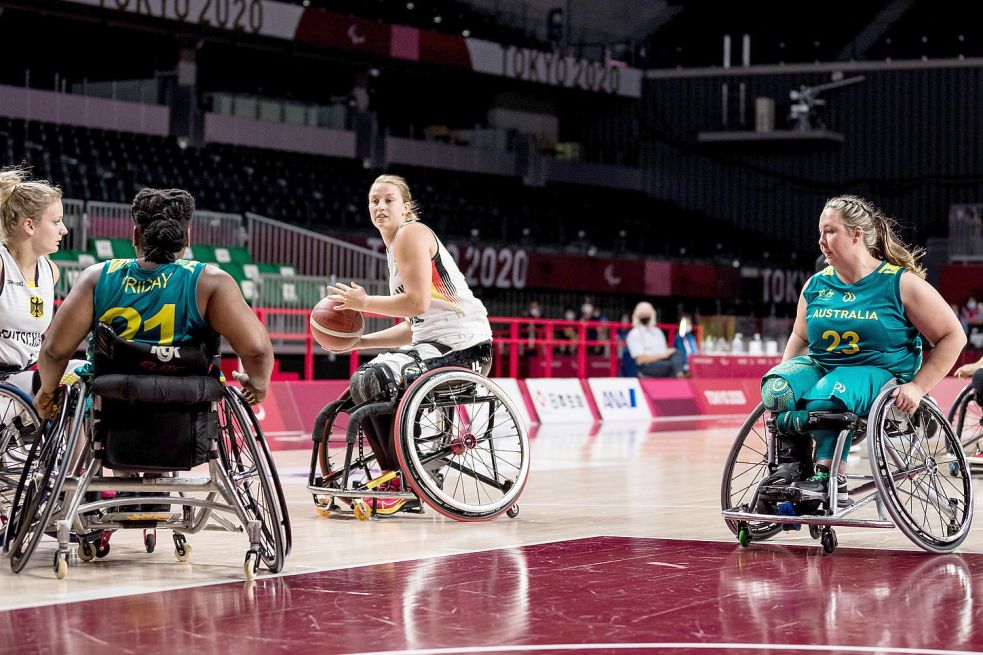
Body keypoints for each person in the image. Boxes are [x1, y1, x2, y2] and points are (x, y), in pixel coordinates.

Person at [34, 188, 273, 509]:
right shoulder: (211, 282)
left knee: (75, 378)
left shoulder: (98, 277)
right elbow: (257, 351)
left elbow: (53, 352)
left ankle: (70, 495)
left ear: (135, 234)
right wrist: (258, 385)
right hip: (186, 424)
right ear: (186, 236)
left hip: (113, 419)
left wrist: (47, 392)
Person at [759, 195, 966, 507]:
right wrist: (785, 392)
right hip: (822, 365)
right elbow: (799, 337)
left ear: (856, 234)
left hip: (881, 373)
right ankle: (792, 467)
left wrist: (918, 387)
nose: (821, 241)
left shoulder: (900, 283)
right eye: (820, 233)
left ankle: (829, 476)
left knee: (827, 393)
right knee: (776, 388)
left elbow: (954, 336)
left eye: (830, 231)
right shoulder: (816, 285)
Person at [325, 174, 492, 515]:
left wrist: (363, 303)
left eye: (388, 200)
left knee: (377, 379)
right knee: (364, 378)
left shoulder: (411, 234)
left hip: (466, 348)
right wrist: (359, 341)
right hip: (435, 346)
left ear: (406, 207)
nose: (380, 206)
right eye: (374, 201)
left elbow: (416, 303)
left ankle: (400, 478)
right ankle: (397, 475)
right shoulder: (395, 248)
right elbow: (414, 327)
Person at [0, 168, 68, 392]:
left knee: (81, 373)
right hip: (4, 383)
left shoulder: (51, 272)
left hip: (23, 381)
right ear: (29, 225)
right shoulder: (2, 265)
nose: (64, 230)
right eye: (57, 221)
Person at [625, 301, 685, 378]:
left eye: (647, 313)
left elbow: (663, 351)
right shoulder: (634, 333)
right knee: (673, 366)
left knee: (677, 353)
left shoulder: (657, 331)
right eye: (643, 314)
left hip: (662, 360)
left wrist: (668, 353)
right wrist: (661, 355)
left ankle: (679, 374)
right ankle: (679, 376)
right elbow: (640, 359)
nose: (645, 316)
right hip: (646, 365)